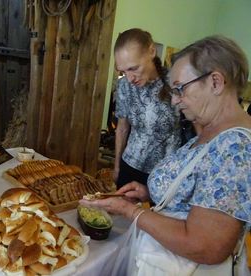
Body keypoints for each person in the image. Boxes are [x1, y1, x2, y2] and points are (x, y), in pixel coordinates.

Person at [80, 35, 251, 275]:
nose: (174, 99)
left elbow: (205, 246)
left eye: (180, 88)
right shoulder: (213, 132)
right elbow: (196, 196)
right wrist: (150, 192)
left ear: (215, 82)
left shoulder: (235, 148)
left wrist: (130, 211)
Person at [113, 28, 181, 189]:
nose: (129, 78)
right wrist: (117, 166)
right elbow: (122, 128)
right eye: (123, 71)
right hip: (130, 165)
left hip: (166, 172)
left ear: (151, 51)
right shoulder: (124, 86)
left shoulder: (176, 83)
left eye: (133, 68)